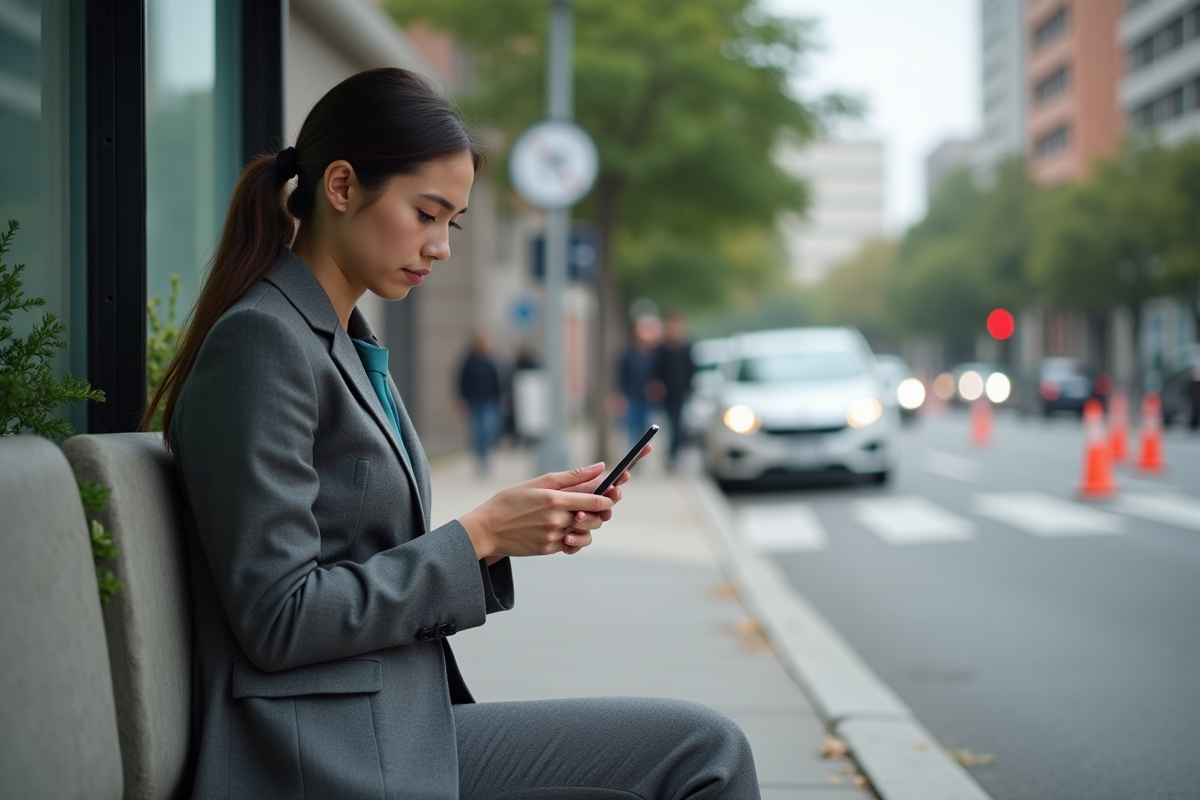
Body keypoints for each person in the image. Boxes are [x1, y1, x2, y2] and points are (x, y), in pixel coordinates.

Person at [143, 68, 758, 800]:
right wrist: (481, 535)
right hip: (319, 756)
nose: (440, 246)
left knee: (701, 748)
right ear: (341, 187)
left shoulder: (341, 340)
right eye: (427, 213)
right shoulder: (264, 343)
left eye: (453, 223)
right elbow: (279, 616)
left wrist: (506, 531)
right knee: (702, 753)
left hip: (391, 728)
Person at [653, 308, 697, 469]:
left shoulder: (686, 346)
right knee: (668, 424)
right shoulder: (662, 348)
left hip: (680, 391)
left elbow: (691, 369)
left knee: (678, 424)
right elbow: (656, 369)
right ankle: (670, 454)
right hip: (666, 393)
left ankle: (673, 455)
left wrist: (690, 388)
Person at [456, 331, 503, 473]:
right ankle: (481, 459)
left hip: (490, 401)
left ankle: (485, 455)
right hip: (474, 401)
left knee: (489, 429)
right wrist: (460, 399)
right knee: (479, 431)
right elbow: (461, 381)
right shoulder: (469, 361)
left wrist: (501, 398)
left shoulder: (491, 360)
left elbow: (497, 381)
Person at [619, 315, 663, 448]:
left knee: (645, 427)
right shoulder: (629, 353)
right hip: (632, 394)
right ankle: (631, 452)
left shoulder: (655, 354)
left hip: (647, 396)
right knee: (631, 425)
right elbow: (621, 375)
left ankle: (641, 452)